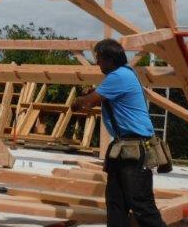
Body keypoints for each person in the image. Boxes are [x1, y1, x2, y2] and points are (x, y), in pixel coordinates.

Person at [71, 39, 166, 227]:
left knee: (141, 204)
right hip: (125, 147)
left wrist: (78, 101)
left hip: (134, 148)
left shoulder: (119, 76)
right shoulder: (123, 74)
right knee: (116, 202)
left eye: (99, 58)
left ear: (110, 60)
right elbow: (102, 98)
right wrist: (93, 96)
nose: (97, 62)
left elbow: (89, 101)